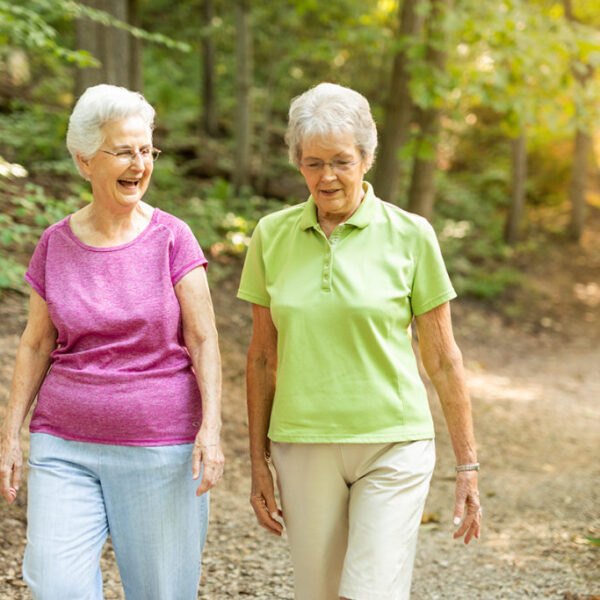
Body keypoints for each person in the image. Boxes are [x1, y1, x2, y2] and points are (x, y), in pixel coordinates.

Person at [237, 82, 481, 600]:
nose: (327, 177)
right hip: (302, 443)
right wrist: (257, 459)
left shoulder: (411, 235)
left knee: (368, 592)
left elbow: (442, 358)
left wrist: (468, 466)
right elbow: (261, 358)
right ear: (298, 164)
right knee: (320, 594)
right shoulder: (270, 236)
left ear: (367, 159)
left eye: (342, 161)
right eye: (313, 162)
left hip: (394, 440)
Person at [0, 84, 224, 599]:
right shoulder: (55, 243)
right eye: (123, 151)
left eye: (146, 151)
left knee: (161, 592)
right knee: (55, 585)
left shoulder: (173, 238)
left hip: (159, 447)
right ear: (84, 161)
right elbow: (35, 344)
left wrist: (211, 428)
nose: (139, 164)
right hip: (64, 444)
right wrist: (11, 433)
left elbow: (204, 338)